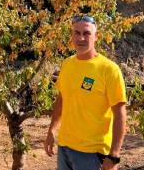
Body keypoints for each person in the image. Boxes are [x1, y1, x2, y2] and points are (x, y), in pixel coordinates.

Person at [44, 15, 127, 170]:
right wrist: (51, 130)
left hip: (93, 154)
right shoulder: (67, 64)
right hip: (64, 148)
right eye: (77, 33)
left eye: (87, 33)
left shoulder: (108, 69)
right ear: (72, 36)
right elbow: (61, 99)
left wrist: (114, 155)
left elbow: (120, 113)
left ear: (96, 36)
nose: (81, 38)